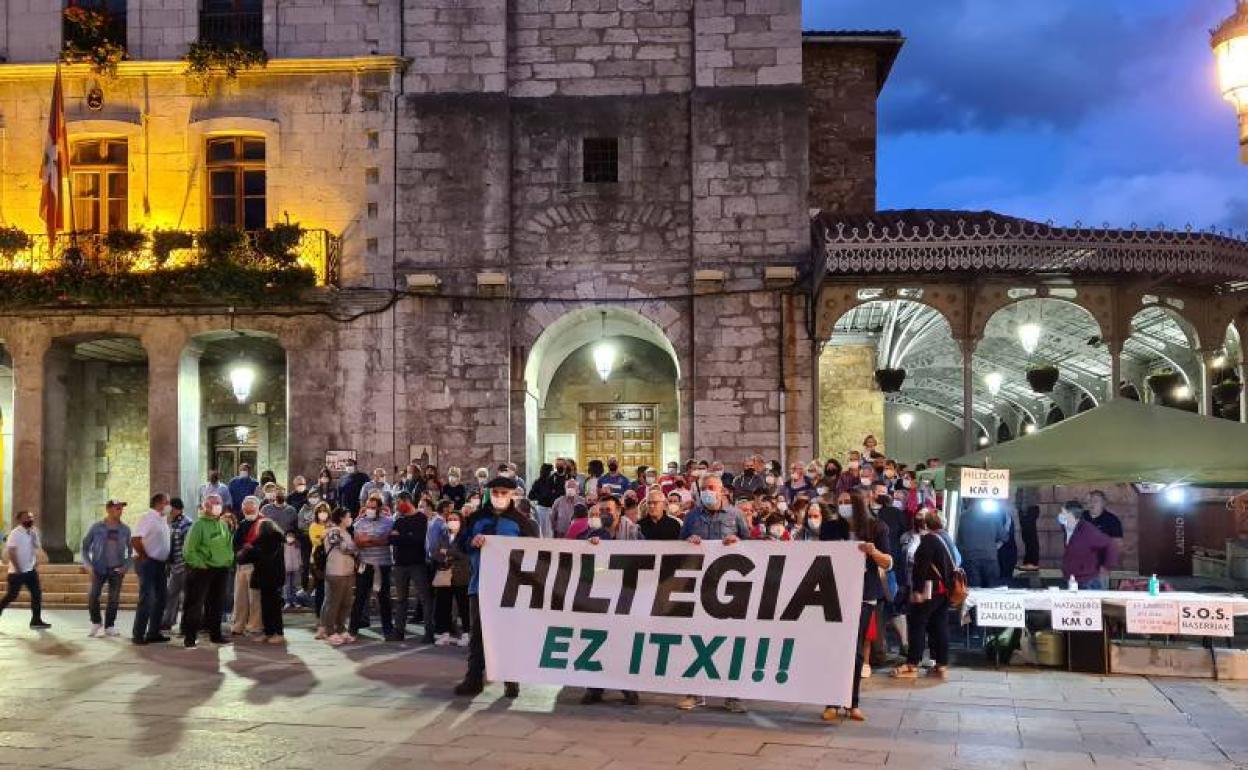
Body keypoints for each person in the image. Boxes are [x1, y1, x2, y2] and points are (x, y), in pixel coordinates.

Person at [453, 476, 539, 697]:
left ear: (512, 495)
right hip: (480, 585)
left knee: (510, 633)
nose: (500, 496)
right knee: (478, 635)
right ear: (489, 493)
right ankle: (474, 679)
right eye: (496, 492)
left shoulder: (522, 523)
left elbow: (536, 552)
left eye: (504, 492)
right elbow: (460, 544)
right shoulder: (475, 519)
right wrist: (471, 542)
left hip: (511, 588)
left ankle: (511, 680)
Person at [677, 475, 750, 713]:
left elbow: (751, 546)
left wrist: (737, 541)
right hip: (700, 585)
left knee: (730, 640)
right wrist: (689, 541)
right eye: (705, 488)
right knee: (698, 639)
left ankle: (733, 695)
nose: (707, 491)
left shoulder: (735, 515)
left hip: (729, 588)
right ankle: (696, 692)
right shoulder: (692, 516)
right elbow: (678, 546)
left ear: (722, 492)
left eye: (712, 488)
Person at [822, 492, 892, 723]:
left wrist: (873, 552)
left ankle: (852, 702)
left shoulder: (877, 528)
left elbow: (888, 563)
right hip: (835, 594)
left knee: (856, 649)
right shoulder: (831, 527)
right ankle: (831, 700)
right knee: (833, 648)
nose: (842, 507)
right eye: (839, 503)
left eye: (847, 503)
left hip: (864, 595)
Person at [892, 510, 954, 680]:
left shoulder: (929, 540)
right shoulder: (945, 537)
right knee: (940, 626)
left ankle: (912, 663)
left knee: (917, 624)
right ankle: (941, 664)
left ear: (926, 524)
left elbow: (921, 567)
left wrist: (917, 591)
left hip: (929, 590)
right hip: (944, 591)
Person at [180, 494, 234, 648]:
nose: (218, 505)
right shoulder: (198, 525)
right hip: (203, 570)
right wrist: (200, 564)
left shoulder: (223, 525)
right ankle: (190, 638)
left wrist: (229, 560)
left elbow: (228, 544)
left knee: (217, 604)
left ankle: (215, 635)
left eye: (219, 502)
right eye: (214, 503)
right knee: (196, 604)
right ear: (206, 506)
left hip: (221, 569)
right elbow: (189, 550)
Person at [81, 499, 132, 638]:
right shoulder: (97, 527)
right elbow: (84, 547)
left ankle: (110, 626)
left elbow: (131, 551)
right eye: (117, 508)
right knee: (93, 596)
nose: (120, 511)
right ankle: (96, 622)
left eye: (121, 508)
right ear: (108, 509)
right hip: (98, 568)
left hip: (117, 569)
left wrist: (126, 566)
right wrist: (88, 565)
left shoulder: (125, 529)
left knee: (114, 599)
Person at [390, 493, 435, 643]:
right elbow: (391, 539)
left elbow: (418, 539)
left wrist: (401, 537)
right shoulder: (399, 519)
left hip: (417, 564)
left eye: (398, 502)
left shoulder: (421, 518)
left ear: (407, 501)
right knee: (401, 599)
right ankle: (399, 632)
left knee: (425, 598)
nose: (397, 506)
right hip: (400, 565)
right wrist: (405, 537)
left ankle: (429, 633)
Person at [235, 511, 286, 643]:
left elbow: (258, 556)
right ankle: (269, 632)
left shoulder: (270, 541)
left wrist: (248, 550)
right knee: (266, 605)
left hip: (270, 577)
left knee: (272, 606)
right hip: (268, 578)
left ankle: (278, 633)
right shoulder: (269, 541)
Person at [350, 493, 395, 638]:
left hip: (383, 565)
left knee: (384, 599)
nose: (370, 509)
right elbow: (358, 541)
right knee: (360, 598)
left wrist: (368, 539)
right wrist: (374, 540)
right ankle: (353, 629)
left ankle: (387, 630)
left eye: (373, 507)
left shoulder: (389, 521)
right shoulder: (360, 522)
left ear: (380, 508)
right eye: (368, 507)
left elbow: (386, 540)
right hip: (365, 565)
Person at [131, 493, 173, 645]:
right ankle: (138, 634)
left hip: (160, 564)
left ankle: (153, 632)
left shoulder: (162, 519)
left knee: (161, 597)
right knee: (147, 598)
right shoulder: (147, 517)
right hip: (147, 563)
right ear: (159, 503)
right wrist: (144, 556)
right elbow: (135, 539)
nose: (170, 505)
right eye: (167, 502)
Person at [0, 510, 50, 629]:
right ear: (20, 520)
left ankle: (36, 620)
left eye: (31, 517)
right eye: (27, 518)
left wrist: (36, 562)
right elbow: (11, 551)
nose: (30, 520)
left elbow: (37, 548)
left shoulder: (34, 532)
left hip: (30, 570)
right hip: (17, 572)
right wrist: (17, 568)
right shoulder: (15, 533)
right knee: (12, 595)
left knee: (37, 594)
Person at [429, 505, 471, 647]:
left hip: (461, 575)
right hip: (445, 575)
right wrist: (444, 555)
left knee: (463, 606)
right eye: (450, 519)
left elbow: (466, 556)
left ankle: (467, 633)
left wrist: (448, 553)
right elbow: (435, 552)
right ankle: (444, 633)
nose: (452, 521)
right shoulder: (443, 535)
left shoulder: (466, 537)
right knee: (443, 605)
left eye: (455, 519)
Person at [318, 508, 359, 645]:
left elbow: (350, 547)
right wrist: (357, 547)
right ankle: (329, 631)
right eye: (348, 516)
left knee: (346, 603)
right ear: (341, 518)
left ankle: (341, 629)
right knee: (333, 603)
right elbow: (343, 547)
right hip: (335, 571)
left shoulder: (346, 532)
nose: (350, 519)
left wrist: (354, 547)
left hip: (347, 571)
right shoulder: (333, 531)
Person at [1059, 501, 1119, 590]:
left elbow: (1109, 544)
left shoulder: (1088, 531)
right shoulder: (1067, 527)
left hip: (1088, 582)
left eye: (1063, 513)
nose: (1060, 515)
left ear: (1071, 515)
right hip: (1073, 579)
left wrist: (1106, 567)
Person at [230, 497, 265, 636]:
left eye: (251, 508)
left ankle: (255, 625)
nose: (248, 511)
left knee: (255, 598)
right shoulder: (242, 523)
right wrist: (240, 550)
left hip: (255, 566)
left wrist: (250, 548)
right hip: (241, 565)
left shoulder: (263, 523)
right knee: (239, 598)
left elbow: (264, 544)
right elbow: (235, 543)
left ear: (257, 508)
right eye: (246, 509)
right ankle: (239, 624)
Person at [956, 499, 1009, 588]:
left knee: (974, 591)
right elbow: (1004, 537)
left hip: (970, 559)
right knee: (992, 591)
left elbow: (958, 540)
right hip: (990, 558)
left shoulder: (963, 517)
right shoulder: (993, 516)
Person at [161, 498, 192, 632]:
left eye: (169, 507)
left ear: (175, 508)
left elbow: (188, 546)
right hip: (175, 567)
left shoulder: (187, 523)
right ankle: (168, 621)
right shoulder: (173, 523)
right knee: (172, 594)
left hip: (184, 566)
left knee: (187, 596)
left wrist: (188, 565)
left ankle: (187, 624)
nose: (167, 510)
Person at [527, 463, 559, 538]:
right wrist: (542, 496)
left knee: (549, 532)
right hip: (541, 509)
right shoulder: (538, 482)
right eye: (552, 470)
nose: (553, 472)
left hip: (551, 509)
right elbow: (531, 496)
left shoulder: (553, 482)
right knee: (542, 531)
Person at [282, 531, 302, 609]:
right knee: (287, 586)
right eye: (288, 536)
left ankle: (294, 601)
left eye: (291, 536)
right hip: (286, 568)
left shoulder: (297, 546)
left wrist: (300, 565)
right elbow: (282, 558)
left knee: (294, 586)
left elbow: (299, 556)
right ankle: (287, 601)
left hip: (295, 568)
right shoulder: (283, 546)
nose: (290, 538)